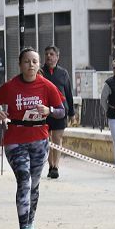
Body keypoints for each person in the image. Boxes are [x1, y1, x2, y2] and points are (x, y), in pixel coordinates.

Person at [0, 47, 67, 229]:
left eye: (34, 61)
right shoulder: (11, 86)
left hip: (39, 139)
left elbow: (61, 111)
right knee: (23, 180)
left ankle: (31, 223)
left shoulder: (47, 86)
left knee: (34, 184)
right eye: (27, 61)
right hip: (15, 139)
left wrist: (48, 109)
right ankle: (23, 228)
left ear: (39, 64)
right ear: (20, 64)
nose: (31, 65)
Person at [41, 46, 76, 179]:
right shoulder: (40, 72)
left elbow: (68, 93)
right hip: (44, 110)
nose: (49, 56)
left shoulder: (63, 73)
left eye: (51, 54)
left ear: (57, 57)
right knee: (46, 139)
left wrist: (72, 112)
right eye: (46, 54)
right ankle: (50, 165)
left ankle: (56, 166)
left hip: (60, 110)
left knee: (57, 139)